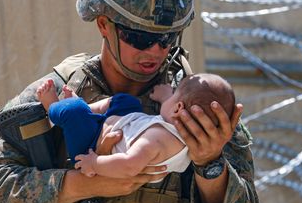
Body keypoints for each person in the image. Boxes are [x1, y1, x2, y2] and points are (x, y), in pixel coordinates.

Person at [0, 0, 259, 203]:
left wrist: (209, 165)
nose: (156, 51)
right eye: (140, 38)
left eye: (167, 38)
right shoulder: (58, 95)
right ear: (104, 25)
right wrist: (80, 185)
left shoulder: (197, 107)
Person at [36, 73, 235, 182]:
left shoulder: (156, 140)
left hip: (91, 145)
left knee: (72, 111)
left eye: (174, 94)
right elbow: (172, 113)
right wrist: (167, 97)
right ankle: (86, 111)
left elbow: (130, 166)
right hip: (122, 125)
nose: (170, 95)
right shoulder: (183, 137)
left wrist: (95, 163)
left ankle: (53, 107)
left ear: (178, 107)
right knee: (127, 102)